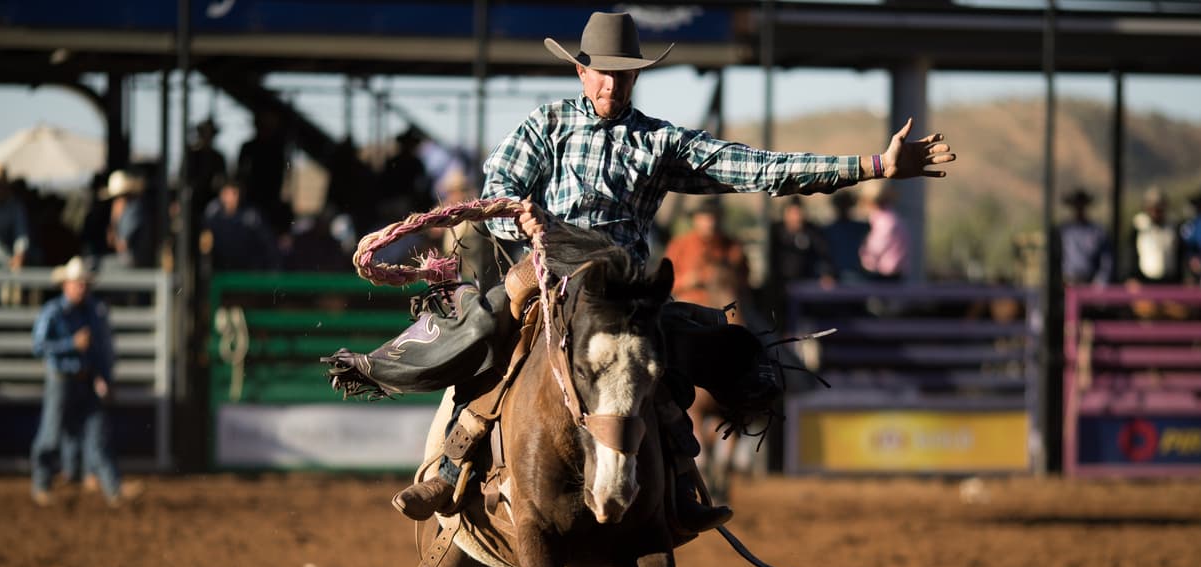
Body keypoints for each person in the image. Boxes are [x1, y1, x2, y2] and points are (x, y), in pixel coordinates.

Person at [369, 11, 954, 524]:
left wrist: (871, 165)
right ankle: (452, 465)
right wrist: (518, 221)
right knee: (492, 331)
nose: (612, 83)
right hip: (550, 271)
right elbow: (499, 188)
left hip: (625, 289)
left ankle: (680, 482)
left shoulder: (658, 143)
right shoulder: (546, 125)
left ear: (636, 78)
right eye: (603, 71)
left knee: (675, 366)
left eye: (624, 73)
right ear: (581, 71)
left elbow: (757, 167)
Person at [30, 257, 139, 508]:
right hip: (61, 379)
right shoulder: (53, 311)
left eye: (84, 283)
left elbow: (100, 348)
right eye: (77, 283)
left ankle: (113, 488)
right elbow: (38, 346)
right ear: (65, 285)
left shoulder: (92, 312)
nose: (82, 288)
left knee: (97, 432)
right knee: (51, 434)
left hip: (86, 378)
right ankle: (41, 484)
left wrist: (103, 377)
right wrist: (71, 344)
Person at [664, 197, 751, 306]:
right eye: (705, 218)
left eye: (714, 218)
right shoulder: (679, 245)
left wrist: (725, 276)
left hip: (724, 301)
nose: (711, 223)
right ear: (695, 219)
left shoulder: (732, 246)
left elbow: (744, 279)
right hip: (689, 301)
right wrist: (687, 281)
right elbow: (664, 282)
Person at [201, 178, 279, 271]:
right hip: (222, 269)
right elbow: (206, 241)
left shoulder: (251, 215)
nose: (229, 198)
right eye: (226, 193)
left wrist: (272, 269)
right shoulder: (212, 212)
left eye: (233, 194)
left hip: (248, 270)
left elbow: (268, 243)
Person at [1121, 185, 1180, 284]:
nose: (1155, 212)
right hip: (1144, 281)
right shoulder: (1138, 226)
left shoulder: (1173, 226)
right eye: (1152, 208)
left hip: (1169, 281)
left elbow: (1179, 253)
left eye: (1159, 208)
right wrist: (1131, 276)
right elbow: (1130, 253)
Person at [768, 196, 832, 287]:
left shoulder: (811, 231)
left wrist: (826, 273)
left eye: (798, 213)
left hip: (807, 283)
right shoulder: (777, 232)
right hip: (781, 283)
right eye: (792, 213)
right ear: (785, 214)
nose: (796, 218)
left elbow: (823, 254)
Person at [1056, 188, 1113, 286]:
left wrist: (1100, 281)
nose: (1079, 209)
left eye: (1081, 205)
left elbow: (1106, 260)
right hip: (1069, 281)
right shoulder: (1064, 231)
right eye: (1076, 205)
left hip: (1091, 282)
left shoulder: (1097, 231)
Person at [858, 180, 909, 281]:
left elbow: (874, 251)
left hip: (884, 277)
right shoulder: (891, 218)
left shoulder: (886, 222)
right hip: (891, 275)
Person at [102, 169, 154, 268]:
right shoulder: (131, 210)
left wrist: (115, 219)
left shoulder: (133, 210)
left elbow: (121, 246)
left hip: (135, 262)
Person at [821, 190, 870, 285]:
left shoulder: (860, 228)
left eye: (846, 204)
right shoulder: (828, 230)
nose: (843, 208)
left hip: (857, 277)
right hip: (836, 278)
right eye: (840, 204)